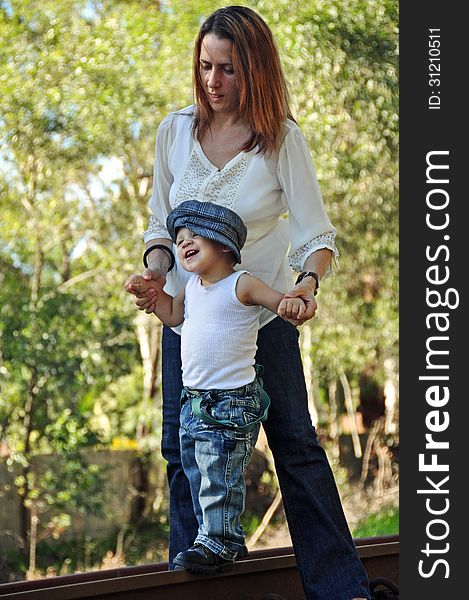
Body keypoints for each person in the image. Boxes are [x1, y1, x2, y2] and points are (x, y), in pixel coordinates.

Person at [125, 5, 371, 599]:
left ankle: (341, 591)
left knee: (297, 451)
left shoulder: (280, 138)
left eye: (228, 69)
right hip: (188, 326)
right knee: (182, 452)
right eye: (206, 66)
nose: (213, 81)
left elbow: (316, 236)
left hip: (263, 319)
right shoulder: (174, 131)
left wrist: (306, 288)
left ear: (254, 70)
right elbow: (160, 228)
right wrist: (155, 276)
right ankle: (194, 587)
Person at [127, 200, 306, 573]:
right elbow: (173, 316)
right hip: (192, 402)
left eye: (194, 236)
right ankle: (223, 539)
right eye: (179, 238)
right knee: (196, 471)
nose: (184, 243)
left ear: (224, 243)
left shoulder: (241, 284)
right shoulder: (191, 288)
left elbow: (278, 303)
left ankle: (219, 540)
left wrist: (293, 304)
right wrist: (151, 295)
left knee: (219, 475)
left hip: (231, 402)